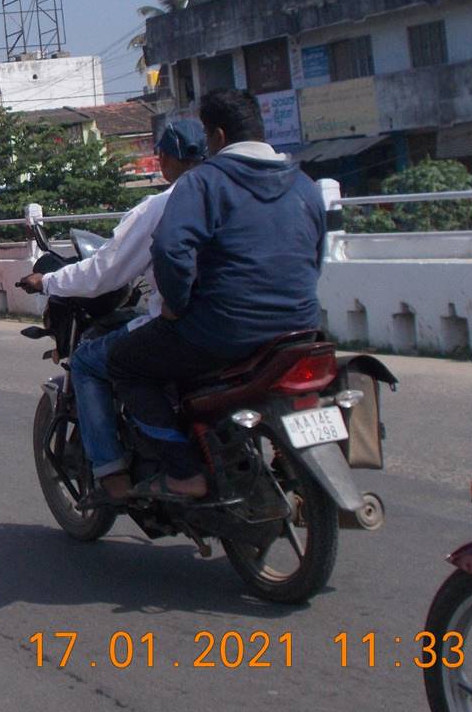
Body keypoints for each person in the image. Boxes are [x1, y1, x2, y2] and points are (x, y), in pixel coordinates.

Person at [106, 89, 326, 500]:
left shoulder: (204, 182)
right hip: (300, 329)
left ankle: (183, 472)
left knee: (123, 362)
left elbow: (170, 250)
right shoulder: (305, 186)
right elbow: (316, 256)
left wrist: (176, 306)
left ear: (219, 136)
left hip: (221, 333)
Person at [18, 120, 207, 502]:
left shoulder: (162, 206)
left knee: (89, 361)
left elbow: (103, 273)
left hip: (193, 327)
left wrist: (48, 281)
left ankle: (113, 476)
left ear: (164, 158)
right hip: (272, 321)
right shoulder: (238, 194)